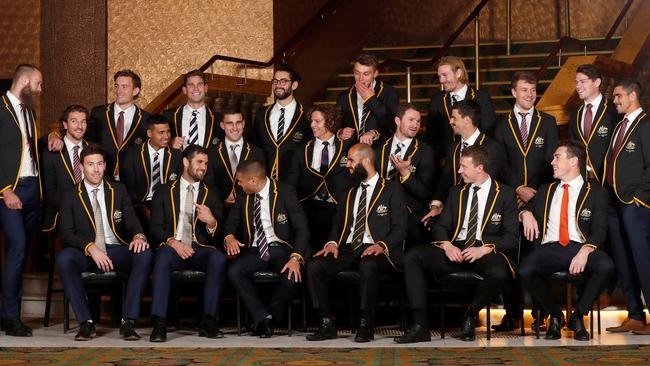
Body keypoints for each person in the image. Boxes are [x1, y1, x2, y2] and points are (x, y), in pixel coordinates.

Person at [395, 145, 518, 343]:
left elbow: (511, 236)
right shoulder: (456, 192)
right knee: (413, 257)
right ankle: (420, 325)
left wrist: (484, 249)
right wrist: (447, 245)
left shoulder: (505, 193)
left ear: (480, 168)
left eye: (463, 166)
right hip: (456, 249)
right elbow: (441, 226)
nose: (459, 171)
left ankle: (470, 315)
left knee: (498, 272)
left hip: (484, 251)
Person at [306, 143, 407, 343]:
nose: (347, 164)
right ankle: (326, 322)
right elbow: (337, 225)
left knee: (368, 265)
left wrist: (382, 245)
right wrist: (332, 243)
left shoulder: (392, 189)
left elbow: (400, 228)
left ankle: (365, 323)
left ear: (366, 161)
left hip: (379, 251)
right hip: (349, 248)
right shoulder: (349, 192)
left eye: (351, 160)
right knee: (314, 266)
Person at [519, 140, 614, 340]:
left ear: (573, 161)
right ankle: (555, 316)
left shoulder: (596, 192)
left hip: (581, 247)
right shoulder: (546, 190)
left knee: (605, 265)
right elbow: (524, 208)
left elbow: (600, 230)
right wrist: (525, 214)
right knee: (525, 270)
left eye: (557, 157)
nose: (552, 162)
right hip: (550, 248)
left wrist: (585, 251)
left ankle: (578, 316)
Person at [56, 144, 152, 341]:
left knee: (144, 254)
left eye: (100, 164)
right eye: (91, 164)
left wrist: (139, 236)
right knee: (64, 258)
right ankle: (86, 323)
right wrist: (90, 247)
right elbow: (66, 234)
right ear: (81, 167)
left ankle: (128, 321)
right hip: (86, 254)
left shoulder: (118, 190)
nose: (96, 169)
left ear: (105, 165)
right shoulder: (70, 195)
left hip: (115, 251)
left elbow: (133, 221)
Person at [493, 71, 559, 331]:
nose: (529, 95)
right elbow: (500, 164)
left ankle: (541, 313)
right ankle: (513, 314)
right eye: (524, 90)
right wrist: (518, 188)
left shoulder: (548, 122)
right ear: (513, 93)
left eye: (533, 90)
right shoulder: (500, 125)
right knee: (509, 255)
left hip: (540, 197)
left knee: (538, 256)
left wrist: (532, 191)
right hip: (511, 199)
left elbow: (551, 163)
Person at [148, 144, 226, 342]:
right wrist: (174, 243)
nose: (203, 167)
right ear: (185, 162)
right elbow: (155, 228)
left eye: (206, 164)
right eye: (199, 162)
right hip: (174, 248)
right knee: (163, 256)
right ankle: (159, 323)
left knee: (217, 258)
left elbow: (221, 233)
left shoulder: (212, 192)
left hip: (199, 249)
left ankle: (209, 321)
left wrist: (211, 222)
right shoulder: (164, 191)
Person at [223, 160, 309, 338]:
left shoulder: (285, 192)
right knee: (234, 270)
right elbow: (231, 222)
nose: (238, 184)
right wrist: (229, 236)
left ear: (253, 181)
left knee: (292, 277)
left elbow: (302, 229)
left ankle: (267, 320)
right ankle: (263, 317)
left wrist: (295, 258)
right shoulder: (242, 194)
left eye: (240, 181)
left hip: (280, 249)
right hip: (254, 251)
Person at [0, 64, 44, 336]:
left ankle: (7, 314)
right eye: (38, 84)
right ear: (25, 81)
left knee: (20, 252)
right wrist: (5, 190)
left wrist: (52, 139)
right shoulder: (0, 108)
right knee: (17, 249)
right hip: (9, 191)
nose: (40, 90)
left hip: (32, 189)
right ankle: (10, 317)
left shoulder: (29, 110)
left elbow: (28, 147)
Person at [604, 79, 650, 334]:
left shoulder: (646, 126)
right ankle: (634, 314)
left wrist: (639, 200)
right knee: (623, 260)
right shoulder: (618, 125)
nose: (615, 101)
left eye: (619, 96)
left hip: (635, 206)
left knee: (643, 260)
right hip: (613, 204)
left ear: (633, 95)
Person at [423, 100, 504, 226]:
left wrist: (447, 210)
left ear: (467, 120)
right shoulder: (453, 148)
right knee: (421, 222)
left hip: (477, 213)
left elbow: (486, 187)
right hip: (451, 210)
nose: (450, 122)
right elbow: (445, 181)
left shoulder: (491, 147)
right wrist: (436, 205)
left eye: (454, 118)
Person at [286, 104, 352, 251]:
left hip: (336, 202)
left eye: (317, 121)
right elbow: (292, 180)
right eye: (311, 121)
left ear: (330, 122)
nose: (312, 125)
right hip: (308, 201)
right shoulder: (302, 150)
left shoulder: (346, 146)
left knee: (329, 218)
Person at [375, 103, 434, 249]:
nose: (415, 125)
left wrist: (405, 173)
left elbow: (424, 193)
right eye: (411, 120)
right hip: (378, 205)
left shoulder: (425, 151)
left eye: (418, 121)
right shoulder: (380, 148)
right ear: (397, 121)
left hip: (407, 208)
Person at [425, 56, 496, 165]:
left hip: (476, 163)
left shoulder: (481, 98)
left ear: (458, 73)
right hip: (446, 165)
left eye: (444, 75)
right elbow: (431, 138)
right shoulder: (437, 100)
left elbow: (488, 132)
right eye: (439, 76)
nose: (441, 80)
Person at [252, 65, 311, 182]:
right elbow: (255, 147)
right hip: (265, 182)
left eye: (283, 81)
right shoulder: (261, 114)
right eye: (275, 81)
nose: (278, 85)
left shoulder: (307, 115)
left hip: (295, 184)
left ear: (294, 85)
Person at [88, 69, 149, 180]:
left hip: (132, 183)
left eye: (124, 87)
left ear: (135, 91)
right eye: (116, 86)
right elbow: (87, 142)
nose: (118, 91)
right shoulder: (98, 113)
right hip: (103, 178)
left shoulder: (146, 119)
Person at [120, 114, 182, 218]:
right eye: (161, 132)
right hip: (141, 204)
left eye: (168, 131)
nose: (166, 136)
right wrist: (141, 209)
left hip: (168, 205)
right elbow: (128, 187)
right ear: (149, 133)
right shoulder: (132, 154)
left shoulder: (177, 155)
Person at [42, 105, 89, 233]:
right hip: (62, 217)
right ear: (65, 125)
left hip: (93, 215)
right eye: (74, 121)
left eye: (83, 121)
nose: (79, 126)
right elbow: (50, 194)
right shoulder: (51, 153)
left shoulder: (94, 150)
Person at [205, 106, 264, 208]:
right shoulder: (211, 153)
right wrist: (222, 202)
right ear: (222, 125)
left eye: (238, 122)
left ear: (244, 123)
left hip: (248, 211)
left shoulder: (257, 153)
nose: (235, 128)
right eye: (229, 123)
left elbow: (261, 185)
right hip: (219, 212)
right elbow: (208, 185)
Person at [569, 64, 618, 185]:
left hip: (608, 181)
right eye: (576, 82)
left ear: (597, 82)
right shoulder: (575, 115)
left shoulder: (614, 110)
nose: (578, 86)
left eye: (582, 82)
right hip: (582, 181)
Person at [337, 53, 399, 146]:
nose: (360, 79)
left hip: (379, 150)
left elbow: (394, 125)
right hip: (352, 151)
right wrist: (340, 133)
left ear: (375, 73)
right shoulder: (344, 96)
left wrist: (371, 100)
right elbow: (336, 126)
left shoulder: (389, 92)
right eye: (357, 73)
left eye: (366, 74)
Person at [163, 69, 221, 150]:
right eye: (191, 85)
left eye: (199, 84)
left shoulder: (219, 119)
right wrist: (169, 143)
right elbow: (156, 143)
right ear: (184, 90)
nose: (196, 88)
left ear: (206, 88)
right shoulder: (168, 116)